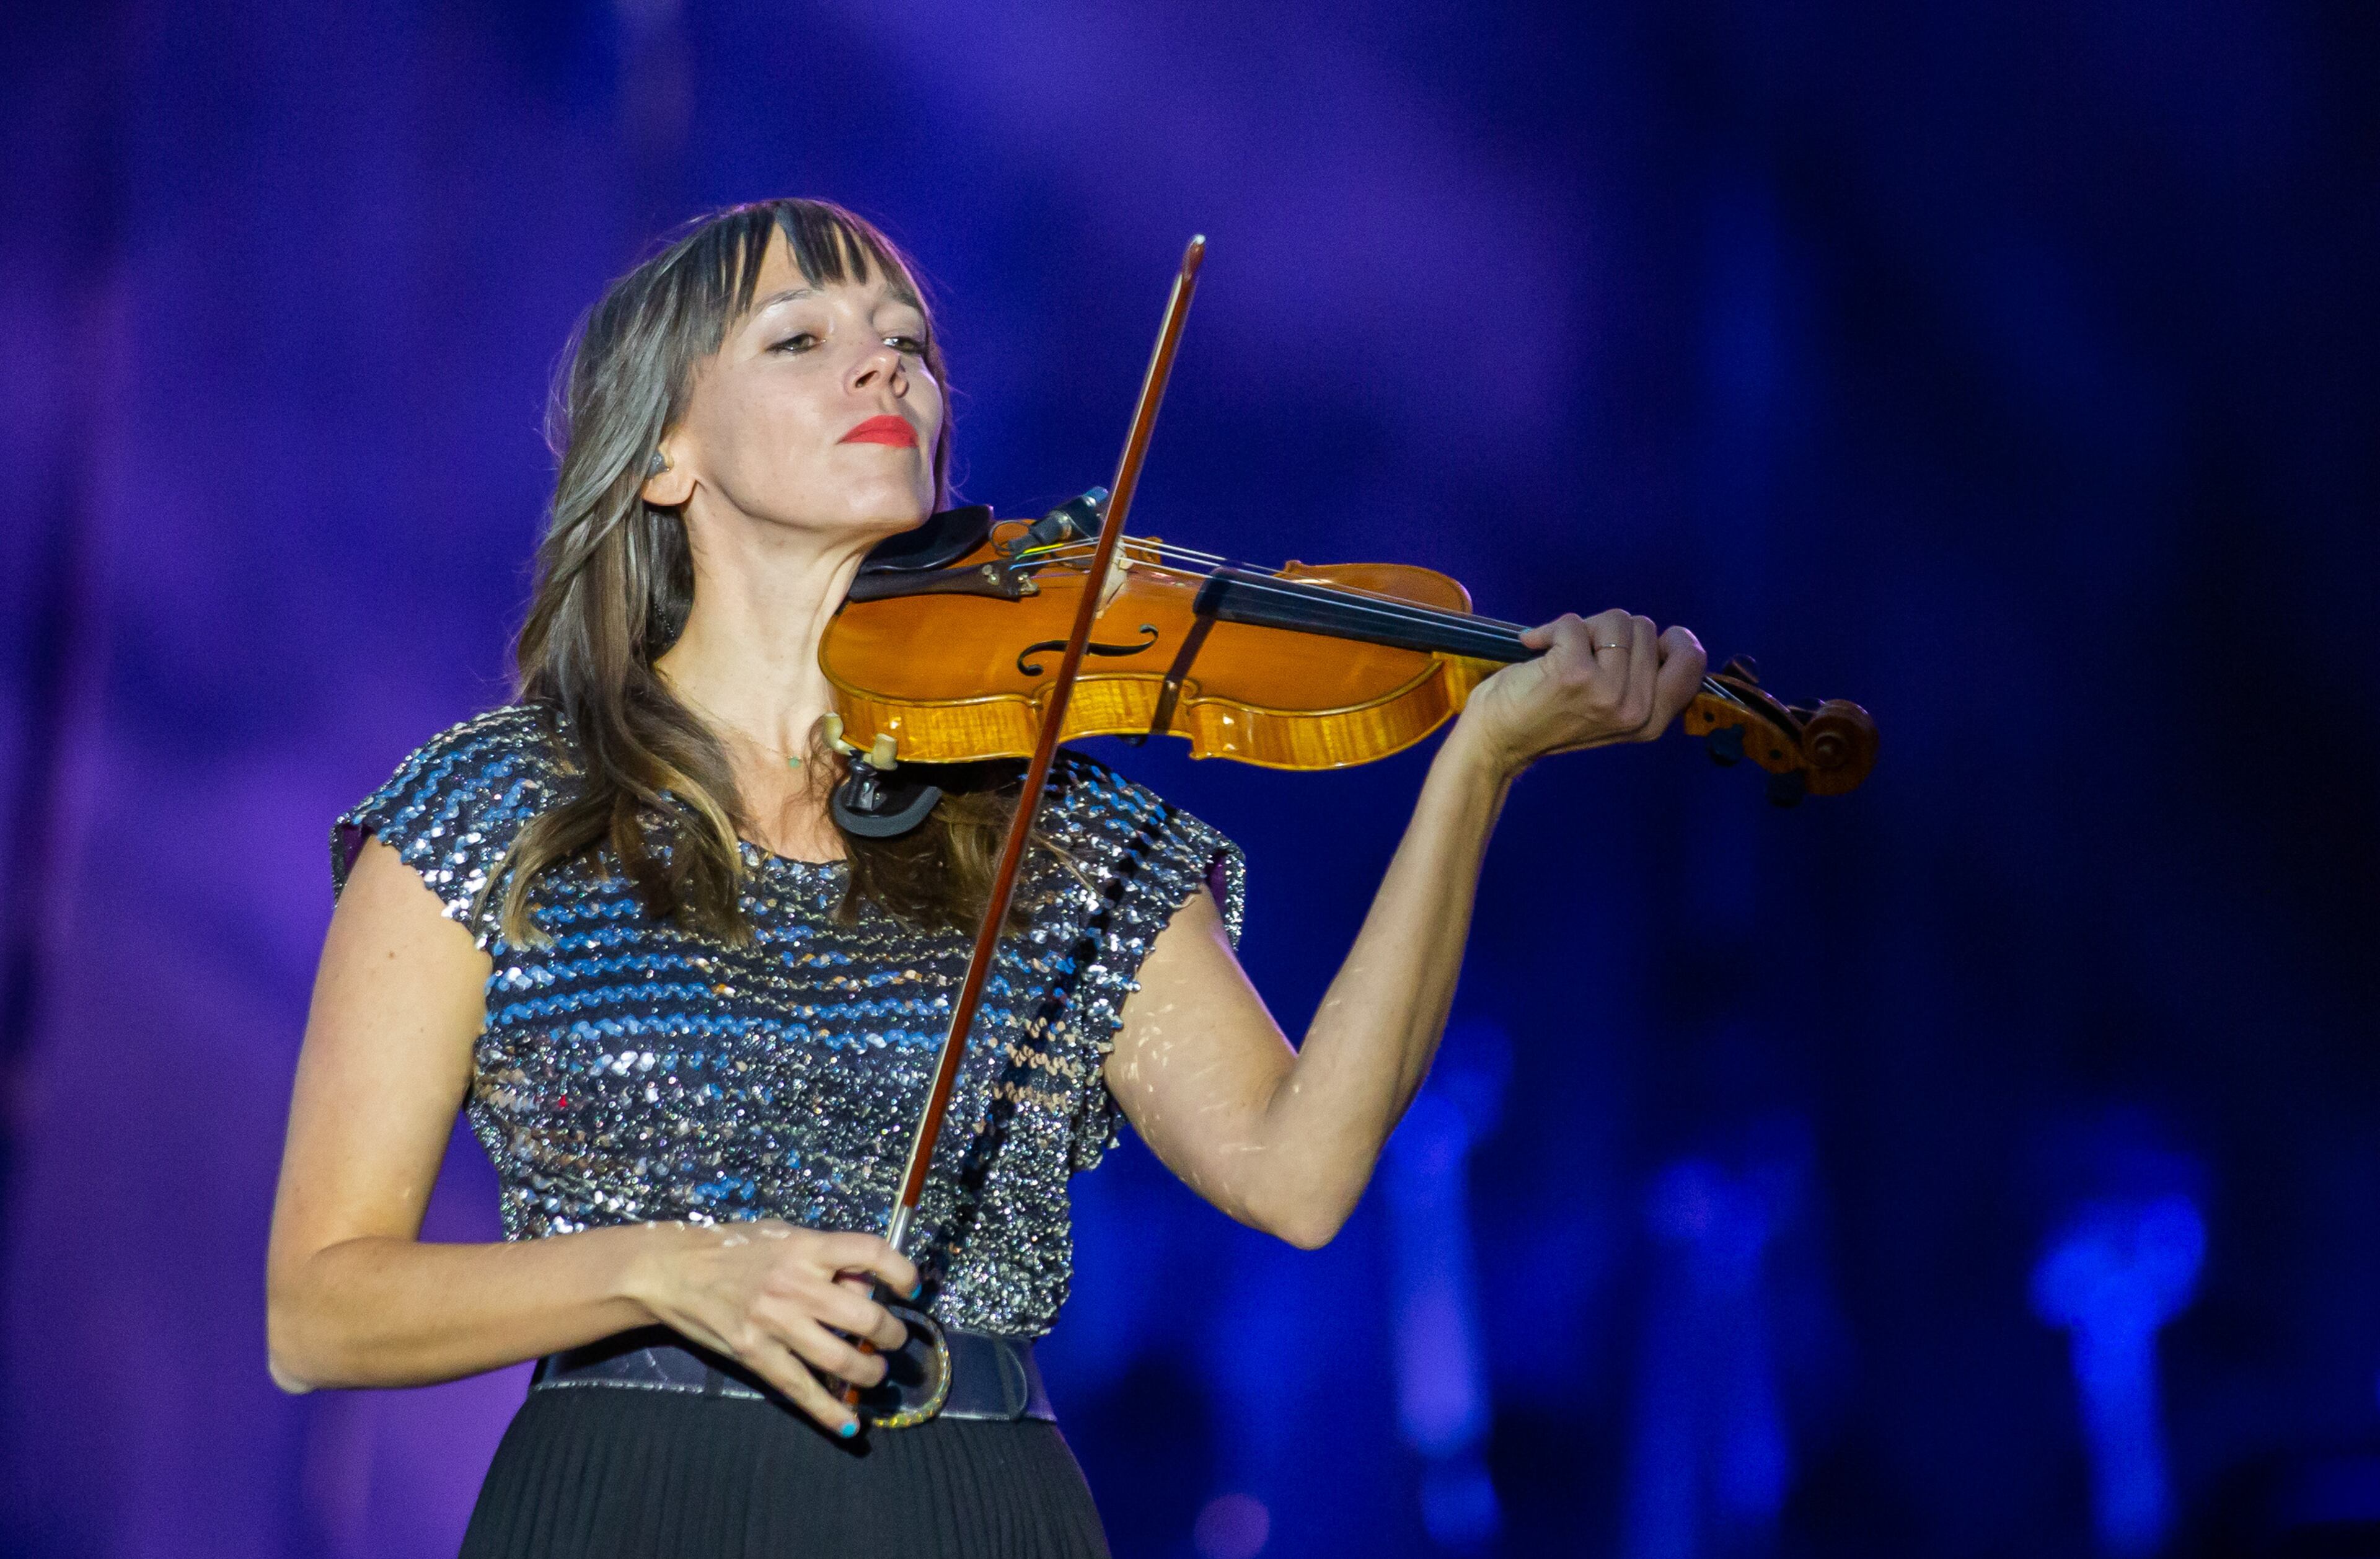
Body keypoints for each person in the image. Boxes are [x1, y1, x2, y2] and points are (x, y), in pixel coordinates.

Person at [265, 198, 1707, 1557]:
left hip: (967, 1499)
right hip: (629, 1496)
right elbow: (319, 1309)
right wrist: (671, 1267)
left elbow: (1301, 1170)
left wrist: (1476, 772)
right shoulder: (498, 805)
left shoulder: (1047, 827)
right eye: (800, 337)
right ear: (663, 458)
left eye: (906, 339)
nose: (881, 358)